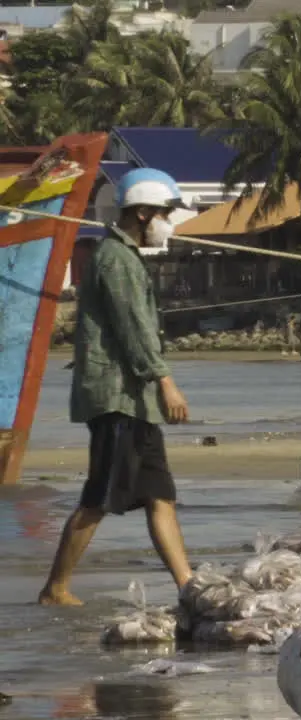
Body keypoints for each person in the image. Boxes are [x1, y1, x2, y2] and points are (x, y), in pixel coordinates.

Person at [40, 168, 194, 606]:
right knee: (100, 497)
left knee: (161, 495)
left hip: (136, 402)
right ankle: (55, 588)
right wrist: (166, 382)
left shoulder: (126, 257)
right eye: (165, 213)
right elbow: (134, 330)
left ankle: (187, 585)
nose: (168, 221)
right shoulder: (116, 260)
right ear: (143, 213)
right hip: (118, 398)